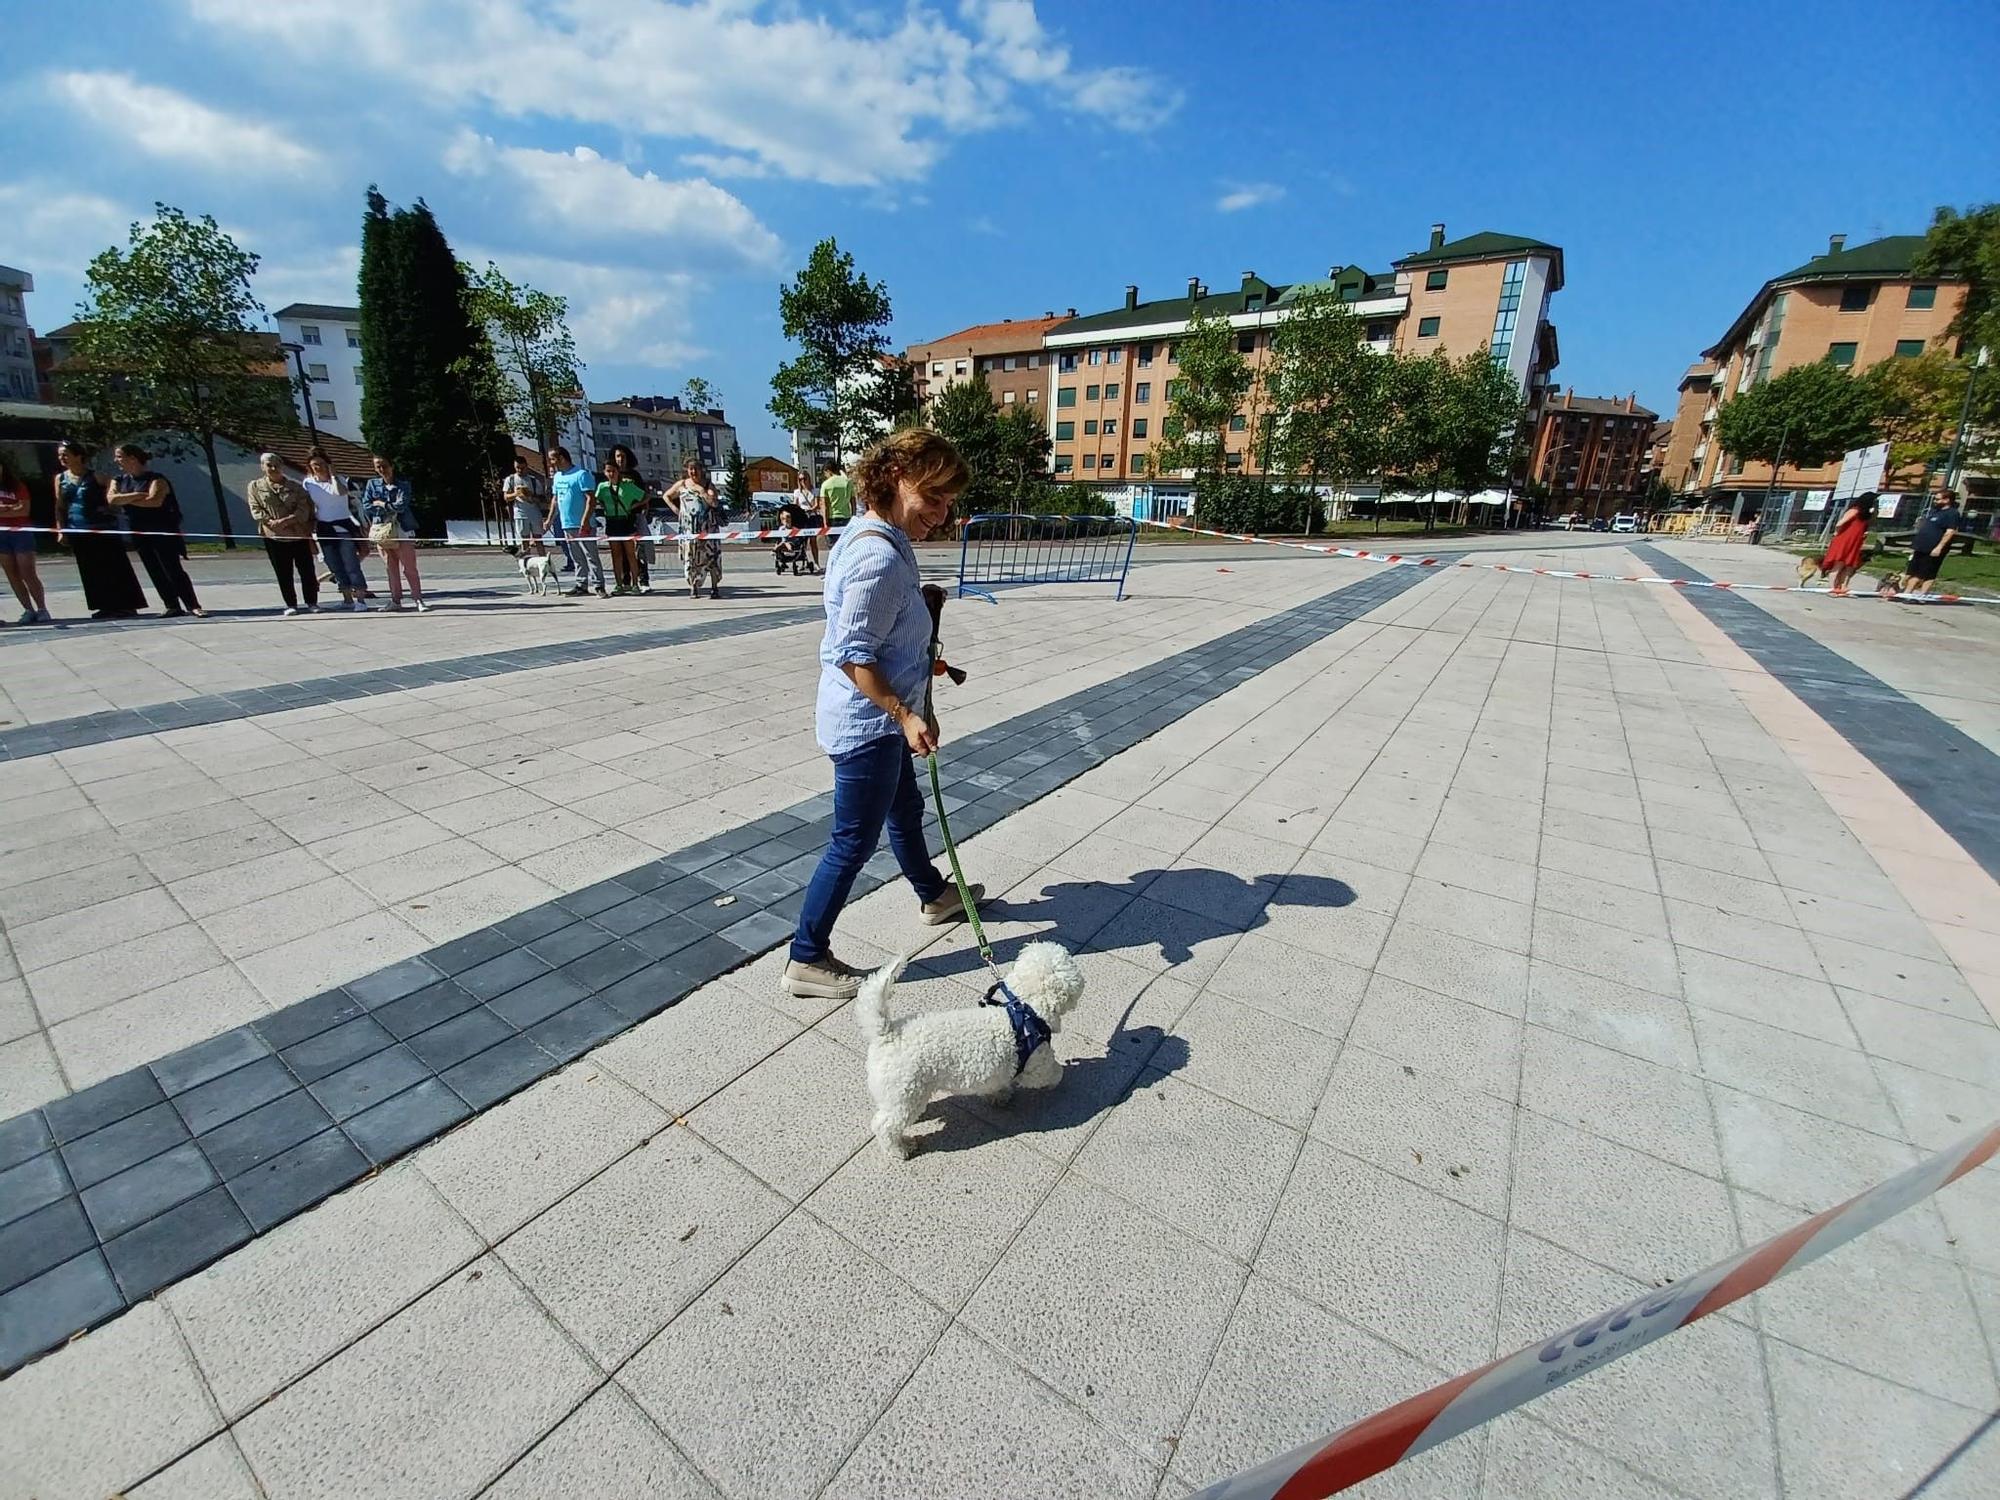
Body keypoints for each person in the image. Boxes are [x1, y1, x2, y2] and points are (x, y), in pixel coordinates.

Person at [783, 429, 984, 1000]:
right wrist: (903, 714)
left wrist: (920, 697)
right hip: (868, 725)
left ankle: (934, 894)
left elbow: (887, 632)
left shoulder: (880, 534)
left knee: (905, 805)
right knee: (852, 840)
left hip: (882, 719)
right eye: (935, 497)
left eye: (950, 501)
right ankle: (807, 957)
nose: (943, 514)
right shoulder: (878, 554)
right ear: (898, 478)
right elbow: (852, 654)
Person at [55, 439, 147, 619]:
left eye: (66, 455)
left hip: (102, 527)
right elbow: (59, 506)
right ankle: (104, 604)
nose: (62, 458)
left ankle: (126, 604)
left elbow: (112, 494)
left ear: (78, 456)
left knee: (113, 566)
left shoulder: (96, 476)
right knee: (90, 569)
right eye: (60, 455)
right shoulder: (60, 479)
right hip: (77, 528)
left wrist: (113, 508)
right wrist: (61, 529)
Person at [110, 444, 203, 617]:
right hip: (137, 530)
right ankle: (171, 605)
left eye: (119, 456)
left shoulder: (157, 479)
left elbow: (154, 501)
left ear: (132, 458)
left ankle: (193, 604)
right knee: (153, 568)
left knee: (172, 568)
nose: (116, 460)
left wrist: (126, 500)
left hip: (162, 529)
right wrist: (138, 495)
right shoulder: (119, 480)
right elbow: (112, 499)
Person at [246, 452, 320, 614]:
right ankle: (290, 604)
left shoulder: (295, 487)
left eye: (277, 465)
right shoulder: (255, 487)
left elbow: (304, 509)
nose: (273, 468)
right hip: (274, 535)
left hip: (297, 534)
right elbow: (255, 509)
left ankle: (312, 602)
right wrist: (271, 522)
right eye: (269, 465)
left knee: (307, 570)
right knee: (283, 572)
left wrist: (286, 521)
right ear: (262, 467)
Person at [304, 448, 370, 611]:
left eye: (320, 464)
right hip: (324, 527)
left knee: (351, 563)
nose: (317, 467)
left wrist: (333, 475)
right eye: (314, 465)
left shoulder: (340, 480)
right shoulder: (308, 483)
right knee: (334, 565)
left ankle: (360, 599)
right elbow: (309, 505)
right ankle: (347, 599)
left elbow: (340, 492)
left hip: (343, 525)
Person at [362, 455, 427, 612]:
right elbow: (366, 506)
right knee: (390, 567)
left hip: (401, 529)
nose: (381, 469)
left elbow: (401, 506)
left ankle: (418, 598)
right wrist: (383, 506)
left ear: (391, 466)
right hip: (382, 529)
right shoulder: (372, 484)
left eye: (384, 465)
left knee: (409, 567)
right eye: (378, 466)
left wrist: (382, 503)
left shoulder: (403, 485)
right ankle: (395, 600)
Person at [549, 445, 605, 597]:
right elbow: (555, 499)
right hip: (567, 524)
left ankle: (599, 585)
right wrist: (549, 520)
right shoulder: (557, 476)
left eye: (553, 459)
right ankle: (581, 584)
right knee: (576, 557)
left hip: (583, 524)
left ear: (561, 458)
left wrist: (585, 520)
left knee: (590, 555)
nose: (551, 463)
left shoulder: (581, 474)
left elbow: (591, 499)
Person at [0, 454, 50, 623]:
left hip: (21, 532)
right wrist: (8, 508)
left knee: (27, 571)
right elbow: (16, 508)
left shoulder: (17, 486)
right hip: (1, 534)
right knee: (12, 573)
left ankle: (42, 608)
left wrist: (7, 508)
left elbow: (23, 510)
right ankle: (28, 609)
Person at [1801, 490, 1875, 597]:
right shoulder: (1855, 510)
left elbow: (1870, 523)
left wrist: (1874, 511)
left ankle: (1843, 588)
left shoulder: (1866, 514)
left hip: (1855, 541)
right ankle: (1832, 589)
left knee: (1849, 566)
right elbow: (1840, 523)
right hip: (1845, 540)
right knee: (1838, 565)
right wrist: (1837, 532)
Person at [667, 459, 722, 599]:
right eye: (690, 469)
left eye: (696, 469)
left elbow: (714, 503)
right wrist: (675, 508)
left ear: (701, 469)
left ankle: (714, 587)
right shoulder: (682, 484)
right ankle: (693, 587)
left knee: (712, 558)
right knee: (690, 558)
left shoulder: (708, 485)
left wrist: (703, 492)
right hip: (689, 530)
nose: (693, 472)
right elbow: (666, 496)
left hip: (708, 529)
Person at [595, 454, 648, 594]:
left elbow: (645, 496)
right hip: (612, 522)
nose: (611, 474)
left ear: (618, 471)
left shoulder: (627, 485)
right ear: (604, 472)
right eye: (608, 471)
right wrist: (604, 506)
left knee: (631, 554)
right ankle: (619, 584)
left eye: (613, 470)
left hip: (626, 521)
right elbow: (597, 500)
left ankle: (635, 584)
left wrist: (633, 506)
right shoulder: (602, 487)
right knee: (616, 555)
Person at [1900, 490, 1965, 602]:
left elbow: (1950, 532)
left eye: (1938, 499)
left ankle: (1912, 594)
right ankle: (1910, 593)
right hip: (1921, 546)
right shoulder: (1935, 511)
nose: (1935, 501)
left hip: (1934, 548)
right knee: (1912, 571)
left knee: (1924, 572)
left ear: (1947, 500)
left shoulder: (1952, 513)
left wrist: (1939, 547)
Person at [504, 453, 547, 557]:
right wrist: (516, 494)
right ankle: (526, 562)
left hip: (534, 513)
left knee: (538, 539)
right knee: (525, 540)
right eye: (517, 468)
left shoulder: (533, 480)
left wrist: (531, 496)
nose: (520, 470)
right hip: (520, 513)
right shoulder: (510, 479)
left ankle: (544, 561)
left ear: (526, 466)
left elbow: (542, 498)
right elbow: (506, 497)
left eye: (522, 468)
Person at [791, 470, 824, 573]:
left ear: (809, 479)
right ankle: (803, 562)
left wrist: (811, 509)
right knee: (802, 542)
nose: (803, 481)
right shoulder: (797, 492)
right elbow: (795, 505)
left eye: (805, 479)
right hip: (802, 518)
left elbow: (817, 504)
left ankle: (816, 563)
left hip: (812, 517)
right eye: (800, 479)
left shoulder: (815, 491)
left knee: (813, 541)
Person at [821, 461, 854, 527]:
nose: (825, 476)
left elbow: (824, 506)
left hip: (832, 518)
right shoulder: (848, 482)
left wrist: (825, 522)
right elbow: (853, 501)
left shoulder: (825, 484)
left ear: (828, 471)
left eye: (825, 474)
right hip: (846, 517)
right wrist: (853, 516)